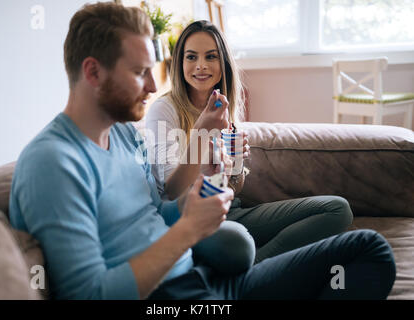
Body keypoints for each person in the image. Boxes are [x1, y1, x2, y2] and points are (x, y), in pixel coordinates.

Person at [9, 2, 396, 300]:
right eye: (139, 72)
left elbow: (160, 207)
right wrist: (187, 231)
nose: (150, 86)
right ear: (93, 72)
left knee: (369, 250)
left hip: (207, 279)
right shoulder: (53, 163)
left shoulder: (126, 136)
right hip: (175, 298)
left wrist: (201, 193)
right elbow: (90, 294)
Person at [145, 20, 354, 264]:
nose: (201, 66)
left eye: (210, 57)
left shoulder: (223, 106)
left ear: (223, 63)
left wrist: (234, 168)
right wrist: (202, 140)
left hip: (231, 212)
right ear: (180, 63)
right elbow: (171, 193)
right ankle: (260, 269)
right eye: (191, 57)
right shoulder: (164, 110)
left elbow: (231, 189)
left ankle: (257, 266)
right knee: (238, 244)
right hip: (192, 219)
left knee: (337, 210)